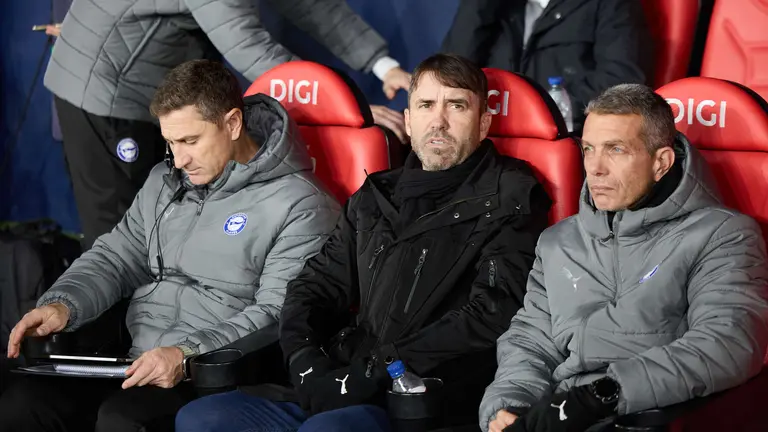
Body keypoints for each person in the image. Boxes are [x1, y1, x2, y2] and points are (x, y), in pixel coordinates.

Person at [173, 53, 552, 432]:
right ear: (408, 120)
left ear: (483, 123)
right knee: (202, 418)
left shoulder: (513, 194)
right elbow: (313, 287)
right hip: (345, 376)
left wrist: (379, 370)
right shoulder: (375, 194)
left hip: (423, 399)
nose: (439, 121)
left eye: (457, 106)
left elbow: (492, 311)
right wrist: (306, 363)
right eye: (425, 105)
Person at [0, 60, 341, 432]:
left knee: (121, 420)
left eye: (190, 141)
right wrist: (64, 303)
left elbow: (278, 312)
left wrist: (187, 353)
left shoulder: (302, 206)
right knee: (24, 402)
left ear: (232, 124)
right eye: (170, 143)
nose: (178, 160)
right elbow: (117, 256)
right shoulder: (166, 180)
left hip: (212, 375)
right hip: (134, 359)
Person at [480, 84, 768, 432]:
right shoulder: (558, 241)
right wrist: (510, 404)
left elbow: (727, 343)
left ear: (661, 162)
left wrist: (602, 395)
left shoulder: (723, 234)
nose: (596, 168)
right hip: (559, 417)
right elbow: (530, 340)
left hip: (650, 415)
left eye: (616, 149)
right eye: (588, 149)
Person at [47, 0, 409, 250]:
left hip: (154, 87)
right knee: (123, 231)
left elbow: (311, 4)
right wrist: (339, 106)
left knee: (165, 224)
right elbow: (247, 45)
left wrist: (383, 65)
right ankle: (117, 351)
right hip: (105, 92)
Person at [441, 0, 649, 133]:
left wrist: (541, 109)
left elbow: (621, 81)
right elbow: (450, 76)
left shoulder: (610, 5)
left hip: (566, 140)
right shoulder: (493, 8)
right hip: (491, 142)